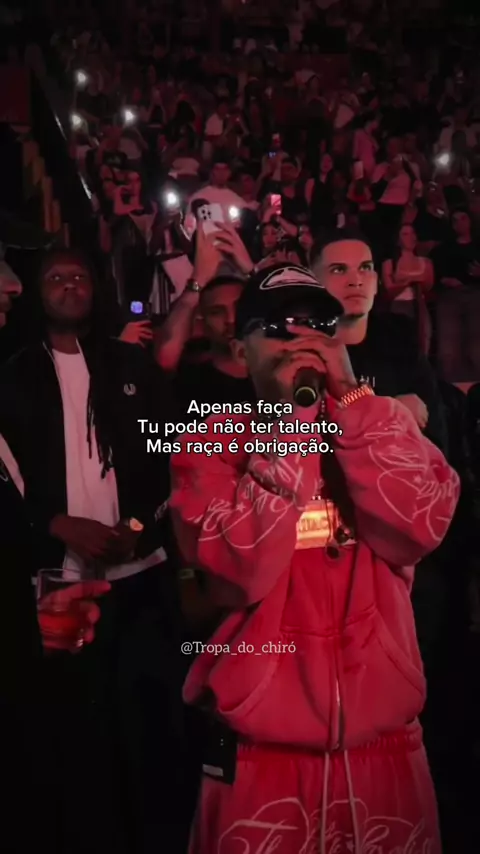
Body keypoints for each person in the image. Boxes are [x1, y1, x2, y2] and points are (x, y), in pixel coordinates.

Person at [170, 262, 459, 853]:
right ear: (239, 348)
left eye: (318, 325)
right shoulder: (209, 445)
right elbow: (239, 572)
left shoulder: (382, 424)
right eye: (278, 326)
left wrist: (353, 402)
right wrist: (290, 429)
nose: (300, 339)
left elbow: (419, 529)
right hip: (263, 762)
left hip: (384, 754)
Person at [0, 247, 185, 854]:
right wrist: (56, 525)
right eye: (55, 277)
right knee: (76, 730)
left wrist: (138, 527)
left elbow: (168, 456)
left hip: (142, 577)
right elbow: (7, 482)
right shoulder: (13, 375)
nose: (69, 285)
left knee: (148, 723)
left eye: (79, 276)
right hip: (59, 583)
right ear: (36, 292)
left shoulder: (131, 365)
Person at [311, 229, 447, 453]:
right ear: (313, 283)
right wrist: (391, 412)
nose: (355, 281)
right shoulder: (299, 346)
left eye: (365, 268)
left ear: (375, 282)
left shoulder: (400, 338)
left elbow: (436, 442)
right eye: (338, 270)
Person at [154, 224, 255, 415]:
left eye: (238, 307)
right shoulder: (191, 379)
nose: (231, 319)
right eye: (217, 312)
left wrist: (252, 272)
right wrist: (198, 279)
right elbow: (165, 355)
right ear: (202, 321)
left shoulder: (274, 371)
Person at [382, 223, 434, 355]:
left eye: (412, 233)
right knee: (400, 346)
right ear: (398, 239)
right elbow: (389, 290)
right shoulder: (390, 263)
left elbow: (428, 285)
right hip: (399, 305)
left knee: (423, 341)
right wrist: (409, 282)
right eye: (405, 234)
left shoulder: (426, 262)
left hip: (419, 305)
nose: (410, 237)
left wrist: (405, 280)